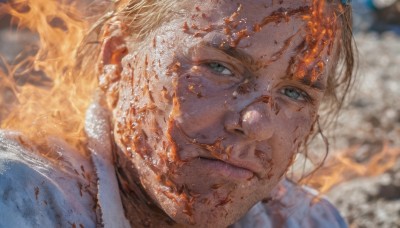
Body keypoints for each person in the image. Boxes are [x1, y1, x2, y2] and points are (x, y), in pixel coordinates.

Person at [0, 0, 354, 227]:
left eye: (294, 92)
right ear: (116, 59)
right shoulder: (19, 199)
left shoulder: (308, 220)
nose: (257, 124)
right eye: (220, 67)